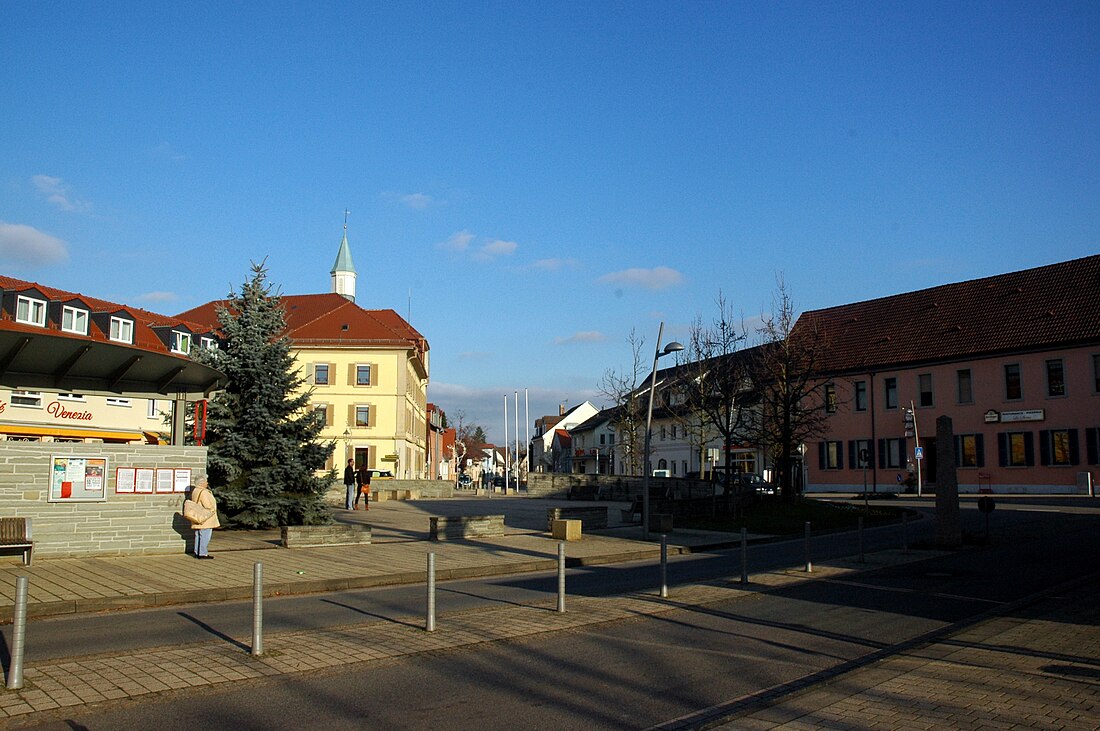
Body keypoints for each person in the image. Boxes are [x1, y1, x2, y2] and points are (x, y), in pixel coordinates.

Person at [189, 478, 219, 559]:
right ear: (201, 483)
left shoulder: (195, 491)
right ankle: (202, 553)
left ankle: (197, 552)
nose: (207, 483)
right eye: (205, 482)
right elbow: (207, 505)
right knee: (205, 535)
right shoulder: (204, 492)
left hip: (197, 516)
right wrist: (212, 509)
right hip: (205, 518)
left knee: (198, 534)